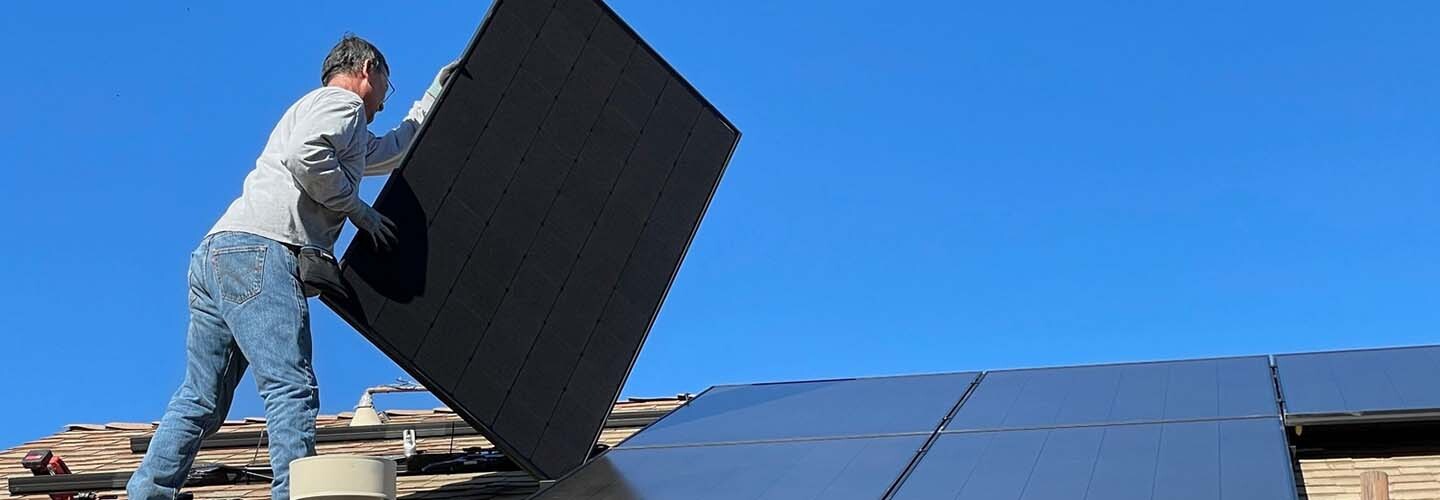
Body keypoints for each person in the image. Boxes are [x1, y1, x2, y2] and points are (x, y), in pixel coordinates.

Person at [126, 34, 457, 500]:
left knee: (201, 397)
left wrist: (432, 98)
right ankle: (292, 494)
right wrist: (357, 211)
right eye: (388, 87)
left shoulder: (337, 121)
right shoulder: (339, 104)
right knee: (291, 387)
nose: (384, 101)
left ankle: (149, 492)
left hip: (218, 254)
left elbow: (391, 150)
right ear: (368, 70)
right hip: (261, 252)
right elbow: (307, 155)